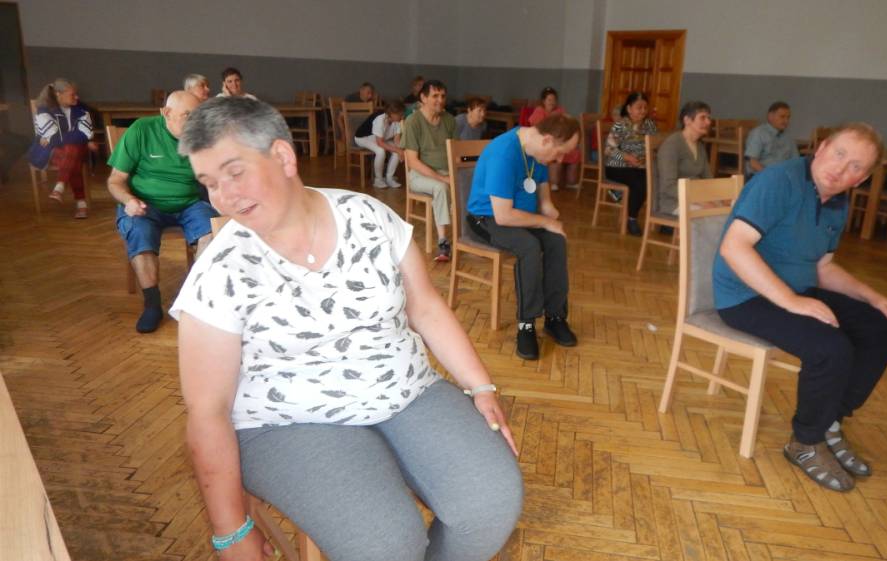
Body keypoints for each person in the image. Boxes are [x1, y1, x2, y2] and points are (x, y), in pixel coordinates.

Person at [172, 96, 523, 561]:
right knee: (385, 545)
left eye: (234, 173)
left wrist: (480, 386)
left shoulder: (369, 217)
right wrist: (230, 531)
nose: (224, 197)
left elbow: (426, 308)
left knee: (491, 504)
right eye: (210, 183)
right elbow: (207, 411)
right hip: (291, 420)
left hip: (405, 390)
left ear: (283, 156)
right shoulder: (220, 272)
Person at [713, 123, 887, 492]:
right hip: (745, 296)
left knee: (885, 325)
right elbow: (733, 248)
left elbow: (823, 267)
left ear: (863, 178)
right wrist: (792, 301)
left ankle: (830, 421)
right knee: (830, 347)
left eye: (855, 166)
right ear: (821, 148)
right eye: (839, 154)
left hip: (798, 288)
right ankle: (805, 441)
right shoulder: (779, 181)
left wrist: (870, 295)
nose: (841, 169)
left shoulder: (837, 201)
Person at [466, 113, 580, 360]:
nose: (560, 160)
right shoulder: (504, 153)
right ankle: (526, 324)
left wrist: (549, 209)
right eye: (560, 153)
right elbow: (503, 216)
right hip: (487, 218)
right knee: (529, 246)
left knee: (556, 241)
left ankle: (555, 316)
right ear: (547, 140)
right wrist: (545, 221)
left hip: (521, 217)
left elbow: (543, 194)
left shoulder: (538, 152)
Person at [107, 91, 216, 333]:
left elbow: (214, 178)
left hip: (189, 203)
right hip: (144, 203)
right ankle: (152, 304)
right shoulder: (142, 130)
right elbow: (115, 181)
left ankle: (193, 297)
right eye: (188, 116)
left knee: (214, 232)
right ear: (166, 113)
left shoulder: (201, 137)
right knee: (139, 233)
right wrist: (129, 200)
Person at [402, 79, 457, 262]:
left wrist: (466, 166)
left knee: (473, 182)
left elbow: (456, 153)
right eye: (435, 96)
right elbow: (412, 161)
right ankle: (443, 242)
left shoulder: (449, 120)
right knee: (441, 188)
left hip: (446, 173)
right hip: (419, 176)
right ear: (423, 98)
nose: (440, 100)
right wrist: (443, 178)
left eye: (443, 96)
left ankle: (471, 235)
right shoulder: (413, 121)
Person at [27, 78, 97, 219]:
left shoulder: (81, 109)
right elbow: (53, 136)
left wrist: (58, 138)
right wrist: (77, 137)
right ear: (58, 94)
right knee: (73, 152)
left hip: (67, 151)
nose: (77, 97)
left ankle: (60, 186)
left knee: (72, 150)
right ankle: (80, 202)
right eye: (72, 95)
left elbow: (86, 133)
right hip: (52, 153)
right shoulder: (44, 110)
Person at [604, 92, 658, 235]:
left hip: (641, 166)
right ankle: (632, 219)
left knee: (656, 179)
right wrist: (627, 157)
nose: (642, 111)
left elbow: (655, 147)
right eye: (639, 107)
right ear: (629, 108)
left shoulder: (649, 125)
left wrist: (647, 158)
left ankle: (663, 219)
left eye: (645, 107)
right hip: (617, 166)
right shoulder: (620, 125)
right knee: (640, 182)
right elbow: (609, 150)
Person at [655, 100, 713, 217]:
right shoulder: (672, 145)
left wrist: (722, 197)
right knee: (713, 214)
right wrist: (698, 200)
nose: (708, 122)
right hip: (674, 203)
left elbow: (709, 179)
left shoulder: (700, 146)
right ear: (687, 120)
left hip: (697, 198)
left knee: (731, 210)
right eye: (702, 118)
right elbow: (668, 186)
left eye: (708, 118)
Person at [528, 87, 581, 192]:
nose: (552, 102)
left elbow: (568, 125)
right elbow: (538, 130)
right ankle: (553, 182)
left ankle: (571, 182)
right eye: (549, 100)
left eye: (554, 100)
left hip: (560, 141)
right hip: (547, 142)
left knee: (575, 152)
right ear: (544, 101)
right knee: (555, 152)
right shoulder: (539, 111)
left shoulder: (560, 110)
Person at [353, 100, 405, 188]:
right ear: (392, 114)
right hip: (363, 138)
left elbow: (397, 139)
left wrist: (400, 150)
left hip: (380, 138)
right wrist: (398, 150)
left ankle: (389, 178)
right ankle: (378, 180)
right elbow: (380, 143)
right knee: (380, 151)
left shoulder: (398, 121)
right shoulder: (380, 119)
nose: (402, 116)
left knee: (397, 151)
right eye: (400, 114)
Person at [745, 101, 797, 176]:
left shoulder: (788, 137)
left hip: (783, 177)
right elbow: (752, 162)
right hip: (762, 176)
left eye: (788, 117)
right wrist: (770, 176)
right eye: (782, 117)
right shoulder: (759, 133)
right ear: (770, 116)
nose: (786, 121)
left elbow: (795, 161)